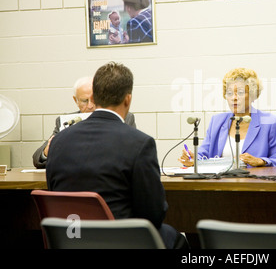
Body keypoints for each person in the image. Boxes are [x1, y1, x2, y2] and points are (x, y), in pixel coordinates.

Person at [46, 62, 186, 249]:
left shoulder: (58, 141)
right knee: (175, 237)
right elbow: (154, 213)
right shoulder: (139, 143)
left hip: (70, 239)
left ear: (94, 97)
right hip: (121, 241)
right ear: (128, 99)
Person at [179, 68, 276, 167]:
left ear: (252, 95)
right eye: (229, 93)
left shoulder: (270, 122)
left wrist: (261, 161)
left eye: (240, 93)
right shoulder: (217, 121)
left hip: (256, 184)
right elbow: (204, 153)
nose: (234, 98)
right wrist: (194, 159)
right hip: (219, 184)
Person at [32, 76, 136, 169]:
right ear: (75, 100)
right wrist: (47, 151)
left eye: (94, 100)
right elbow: (37, 159)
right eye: (84, 101)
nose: (90, 106)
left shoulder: (123, 118)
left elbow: (133, 155)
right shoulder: (66, 122)